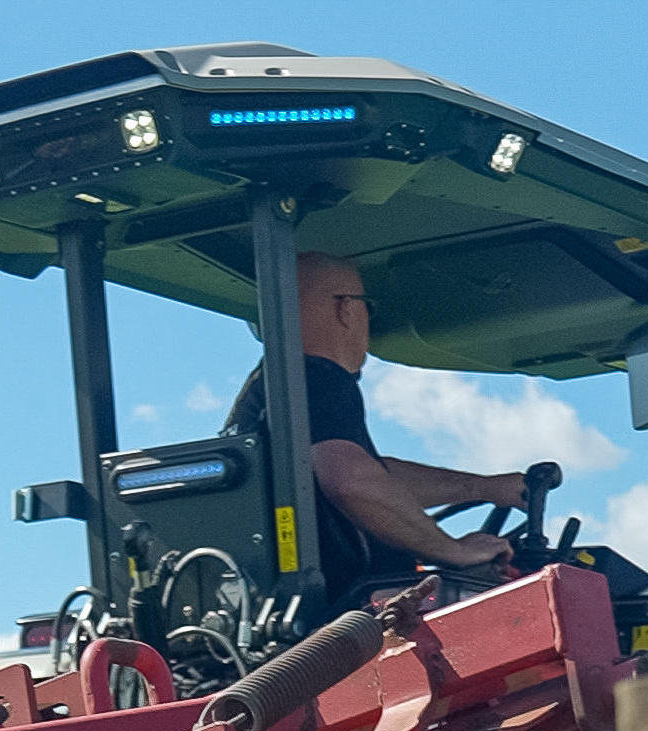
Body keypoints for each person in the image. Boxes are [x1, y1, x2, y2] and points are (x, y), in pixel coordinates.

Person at [222, 251, 533, 609]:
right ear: (347, 310)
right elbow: (348, 479)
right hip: (353, 612)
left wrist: (482, 488)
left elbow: (369, 475)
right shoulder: (319, 377)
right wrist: (453, 550)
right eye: (367, 306)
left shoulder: (271, 391)